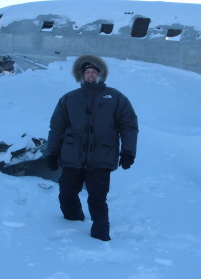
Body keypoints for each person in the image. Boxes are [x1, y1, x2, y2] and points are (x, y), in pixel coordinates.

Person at [46, 54, 138, 241]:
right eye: (87, 72)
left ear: (100, 74)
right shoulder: (69, 99)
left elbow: (129, 125)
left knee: (97, 199)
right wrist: (52, 152)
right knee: (66, 194)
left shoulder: (115, 97)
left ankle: (100, 234)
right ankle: (72, 220)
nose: (90, 75)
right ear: (81, 75)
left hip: (101, 157)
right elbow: (57, 128)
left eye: (94, 72)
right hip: (73, 155)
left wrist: (128, 151)